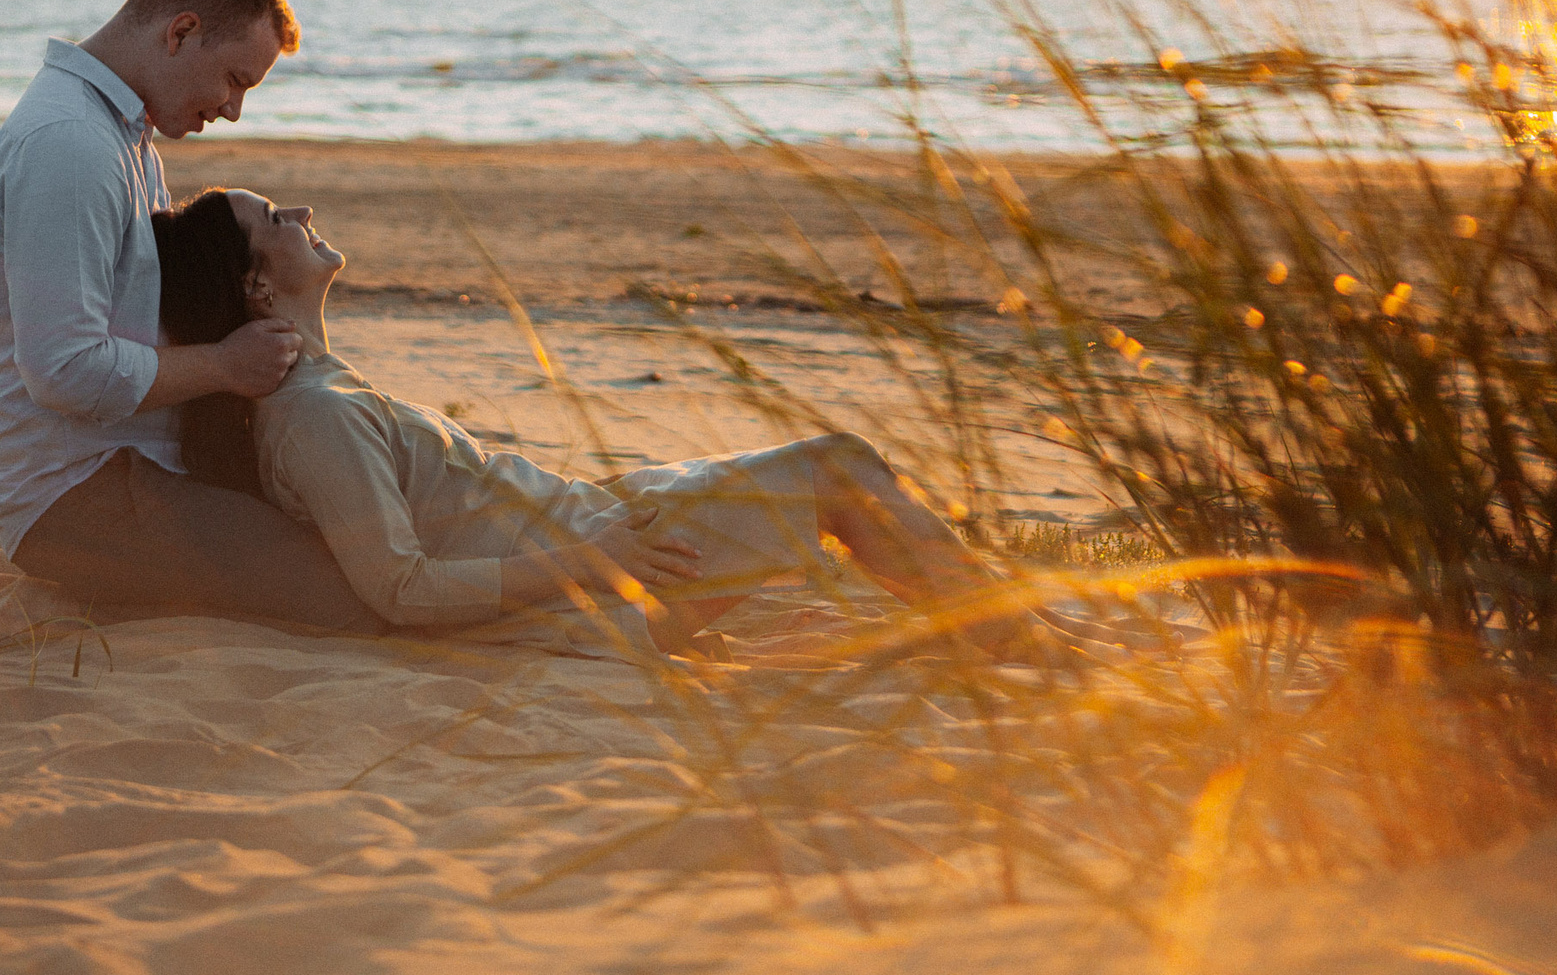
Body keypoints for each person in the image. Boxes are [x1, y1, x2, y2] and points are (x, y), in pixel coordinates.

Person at [148, 185, 1002, 656]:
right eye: (273, 220)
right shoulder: (311, 416)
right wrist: (598, 560)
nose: (297, 211)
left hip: (601, 517)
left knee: (830, 471)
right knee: (840, 467)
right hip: (610, 576)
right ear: (259, 287)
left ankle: (992, 629)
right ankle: (1022, 648)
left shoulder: (321, 389)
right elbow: (401, 591)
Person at [0, 0, 383, 633]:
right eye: (235, 80)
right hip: (76, 494)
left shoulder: (124, 137)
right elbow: (62, 372)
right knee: (360, 589)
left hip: (137, 464)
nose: (232, 110)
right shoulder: (70, 146)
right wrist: (224, 365)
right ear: (181, 31)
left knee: (375, 535)